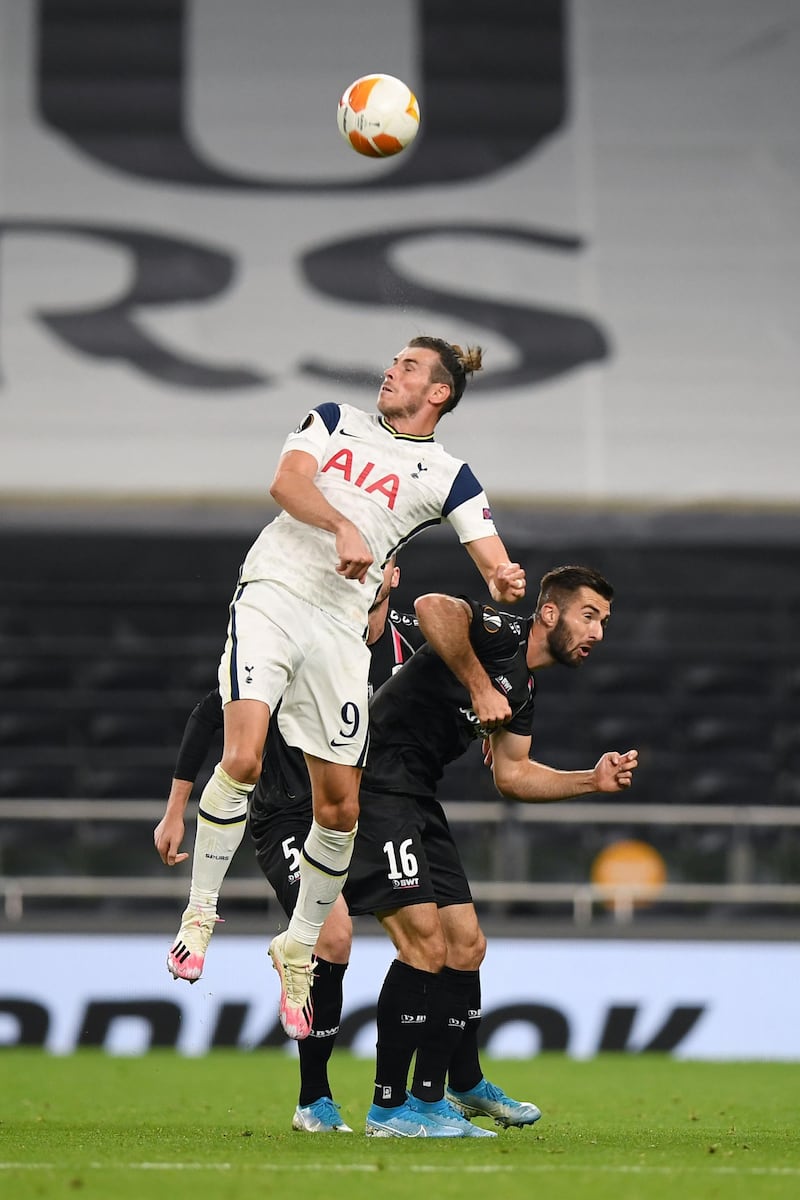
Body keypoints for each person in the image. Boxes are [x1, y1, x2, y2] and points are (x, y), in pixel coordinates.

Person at [162, 335, 527, 1040]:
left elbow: (491, 556)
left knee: (340, 807)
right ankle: (199, 915)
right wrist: (340, 523)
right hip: (274, 590)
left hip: (338, 623)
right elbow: (286, 484)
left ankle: (297, 947)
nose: (392, 372)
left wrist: (503, 578)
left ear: (440, 393)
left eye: (410, 367)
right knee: (242, 755)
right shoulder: (332, 419)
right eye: (394, 363)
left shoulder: (450, 476)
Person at [342, 565, 639, 1137]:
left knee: (467, 945)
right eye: (589, 615)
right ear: (549, 613)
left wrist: (590, 781)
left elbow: (514, 775)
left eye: (603, 621)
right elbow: (432, 605)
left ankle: (436, 1096)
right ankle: (387, 1107)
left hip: (415, 794)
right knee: (425, 943)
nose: (598, 631)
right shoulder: (500, 632)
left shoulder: (525, 690)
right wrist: (479, 684)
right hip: (372, 783)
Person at [155, 559, 417, 1134]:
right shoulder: (306, 624)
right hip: (285, 815)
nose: (369, 572)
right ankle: (314, 1100)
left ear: (394, 575)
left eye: (384, 563)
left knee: (429, 934)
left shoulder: (408, 648)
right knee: (337, 935)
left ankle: (419, 1098)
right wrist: (175, 809)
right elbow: (209, 711)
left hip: (357, 812)